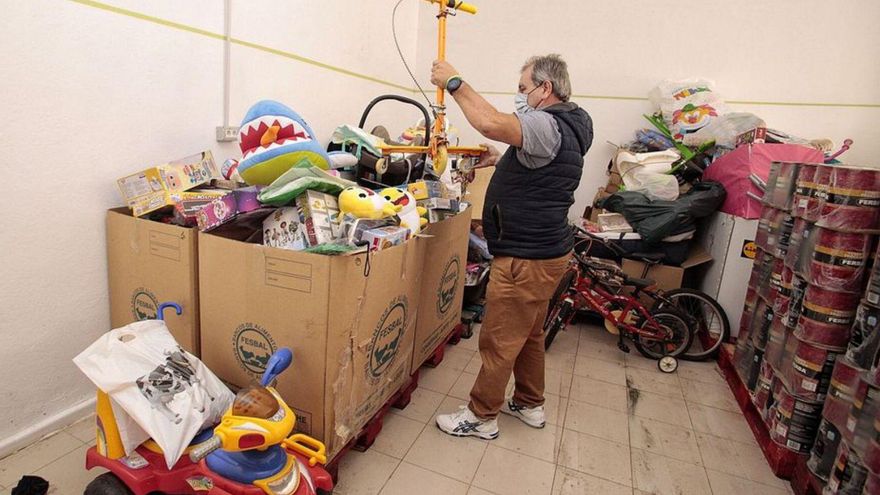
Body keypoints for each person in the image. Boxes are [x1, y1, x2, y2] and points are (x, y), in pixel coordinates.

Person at [432, 54, 593, 439]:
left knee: (499, 339)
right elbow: (543, 168)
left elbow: (489, 122)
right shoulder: (573, 124)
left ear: (545, 88)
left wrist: (454, 81)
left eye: (523, 89)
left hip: (525, 257)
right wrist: (504, 160)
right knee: (529, 334)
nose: (520, 97)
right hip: (549, 251)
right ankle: (529, 403)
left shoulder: (544, 121)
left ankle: (481, 416)